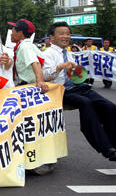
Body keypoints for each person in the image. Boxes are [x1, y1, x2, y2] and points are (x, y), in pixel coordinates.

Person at [42, 22, 116, 162]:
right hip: (60, 91)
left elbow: (76, 77)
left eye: (68, 33)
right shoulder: (47, 54)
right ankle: (105, 148)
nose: (66, 36)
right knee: (85, 103)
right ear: (51, 37)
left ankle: (113, 145)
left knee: (109, 107)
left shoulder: (69, 53)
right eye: (61, 33)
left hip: (77, 88)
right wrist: (59, 67)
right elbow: (45, 75)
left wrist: (77, 73)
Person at [8, 18, 48, 93]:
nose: (11, 34)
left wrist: (40, 81)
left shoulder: (25, 46)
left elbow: (35, 63)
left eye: (13, 31)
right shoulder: (23, 46)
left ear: (20, 33)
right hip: (27, 85)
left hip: (31, 86)